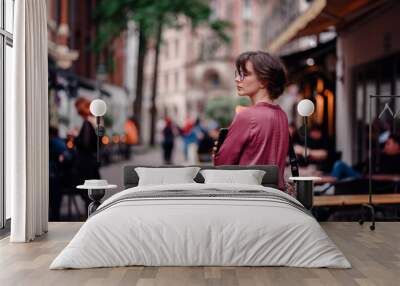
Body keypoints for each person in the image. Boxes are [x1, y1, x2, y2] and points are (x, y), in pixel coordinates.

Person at [214, 51, 289, 190]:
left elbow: (222, 165)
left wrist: (218, 152)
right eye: (238, 73)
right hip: (276, 197)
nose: (238, 79)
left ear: (264, 81)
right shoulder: (282, 115)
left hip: (248, 196)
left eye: (245, 74)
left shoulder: (247, 116)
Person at [73, 97, 101, 214]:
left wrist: (75, 138)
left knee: (86, 193)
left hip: (85, 162)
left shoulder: (87, 123)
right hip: (91, 161)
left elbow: (86, 143)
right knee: (91, 194)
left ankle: (89, 217)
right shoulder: (94, 122)